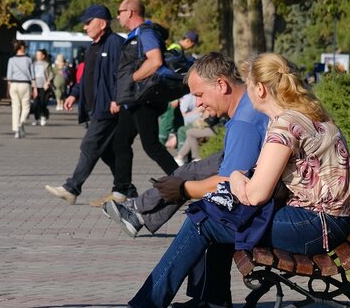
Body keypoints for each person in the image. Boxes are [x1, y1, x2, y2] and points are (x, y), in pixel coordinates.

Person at [95, 52, 350, 308]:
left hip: (317, 225)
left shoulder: (284, 126)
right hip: (327, 221)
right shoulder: (304, 114)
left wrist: (233, 177)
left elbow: (255, 195)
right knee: (215, 215)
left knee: (205, 221)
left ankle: (146, 307)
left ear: (259, 89)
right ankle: (212, 305)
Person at [102, 52, 267, 247]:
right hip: (254, 171)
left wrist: (183, 189)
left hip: (257, 197)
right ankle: (138, 214)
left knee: (196, 215)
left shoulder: (243, 123)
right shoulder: (247, 105)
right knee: (189, 171)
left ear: (222, 85)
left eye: (199, 95)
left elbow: (227, 184)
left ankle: (137, 212)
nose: (198, 103)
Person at [44, 4, 125, 204]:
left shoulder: (114, 43)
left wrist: (118, 98)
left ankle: (72, 188)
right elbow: (86, 78)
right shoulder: (92, 48)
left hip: (108, 107)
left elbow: (122, 75)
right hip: (92, 108)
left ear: (103, 23)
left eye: (89, 23)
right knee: (105, 150)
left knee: (89, 145)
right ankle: (125, 189)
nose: (85, 27)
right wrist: (74, 94)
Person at [111, 0, 180, 197]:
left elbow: (156, 60)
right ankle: (121, 189)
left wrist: (133, 77)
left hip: (145, 99)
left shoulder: (146, 32)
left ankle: (183, 184)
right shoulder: (135, 35)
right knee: (121, 141)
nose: (118, 16)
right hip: (133, 99)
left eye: (120, 11)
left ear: (131, 12)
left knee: (151, 146)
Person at [4, 41, 34, 138]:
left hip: (14, 84)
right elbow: (32, 75)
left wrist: (9, 88)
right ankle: (21, 122)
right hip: (25, 84)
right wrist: (35, 88)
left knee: (15, 108)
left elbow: (9, 76)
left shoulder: (11, 60)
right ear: (22, 47)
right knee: (26, 107)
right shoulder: (29, 60)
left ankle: (16, 130)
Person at [30, 49, 54, 127]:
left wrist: (47, 82)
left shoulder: (46, 64)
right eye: (36, 55)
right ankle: (36, 118)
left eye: (39, 55)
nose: (37, 56)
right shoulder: (33, 64)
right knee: (36, 103)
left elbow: (51, 74)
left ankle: (43, 117)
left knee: (43, 102)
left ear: (43, 56)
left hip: (44, 86)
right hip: (35, 86)